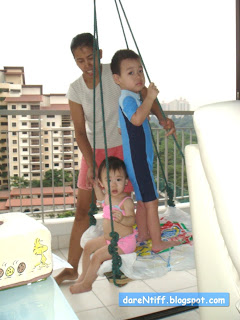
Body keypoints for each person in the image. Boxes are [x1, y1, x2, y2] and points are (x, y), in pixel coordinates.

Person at [54, 33, 176, 285]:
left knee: (127, 205)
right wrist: (90, 165)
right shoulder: (76, 89)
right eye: (80, 61)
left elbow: (144, 95)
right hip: (94, 151)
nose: (87, 65)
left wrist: (162, 118)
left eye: (90, 58)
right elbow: (79, 130)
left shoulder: (119, 73)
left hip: (122, 149)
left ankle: (120, 264)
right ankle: (72, 268)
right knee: (82, 209)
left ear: (99, 53)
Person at [111, 49, 180, 253]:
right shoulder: (128, 99)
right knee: (151, 202)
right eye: (130, 72)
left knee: (142, 201)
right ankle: (157, 244)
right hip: (138, 160)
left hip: (139, 159)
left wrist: (148, 103)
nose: (138, 76)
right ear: (118, 79)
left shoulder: (130, 98)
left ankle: (143, 234)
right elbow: (137, 119)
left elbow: (121, 127)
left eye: (140, 71)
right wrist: (150, 97)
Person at [69, 156, 136, 294]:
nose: (113, 185)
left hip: (123, 242)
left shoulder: (126, 201)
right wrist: (94, 186)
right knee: (88, 247)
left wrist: (123, 219)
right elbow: (100, 198)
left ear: (126, 181)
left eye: (118, 179)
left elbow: (132, 221)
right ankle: (83, 276)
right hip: (109, 239)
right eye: (108, 180)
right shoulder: (108, 196)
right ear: (102, 183)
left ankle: (87, 284)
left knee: (97, 256)